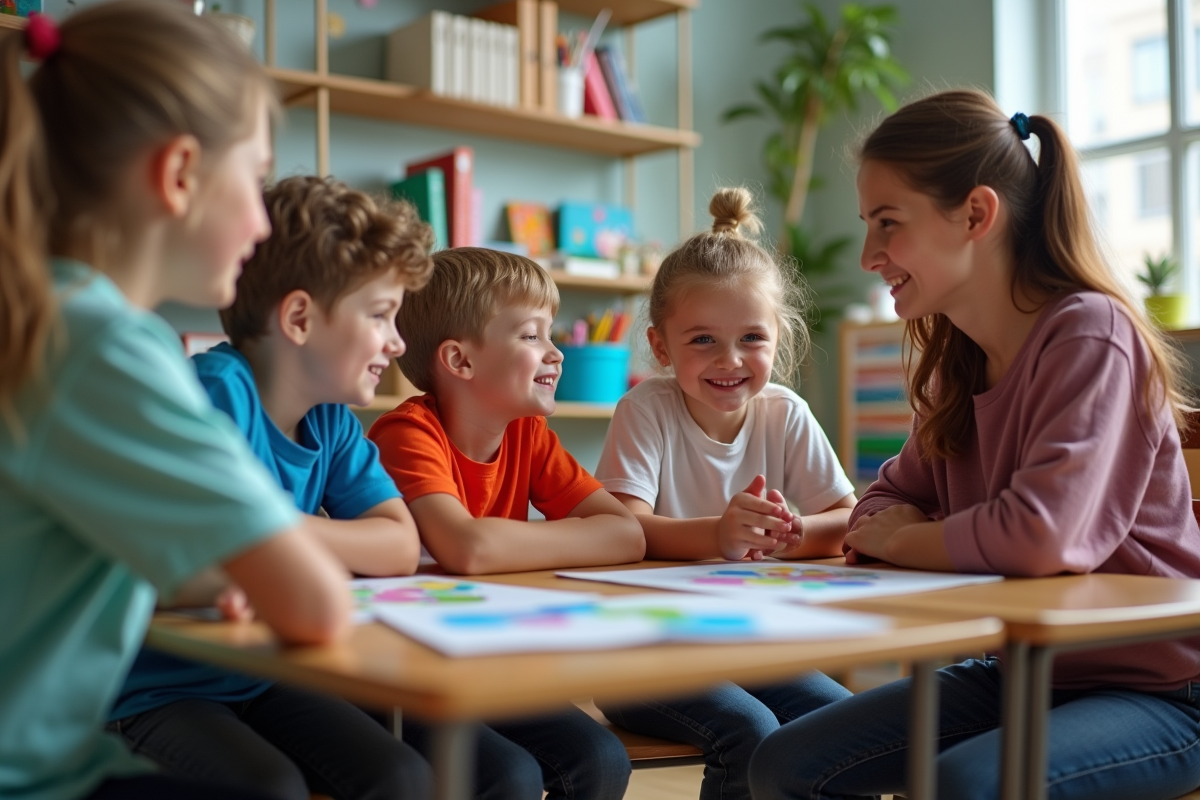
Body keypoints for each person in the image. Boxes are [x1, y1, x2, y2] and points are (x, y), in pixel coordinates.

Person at [748, 89, 1200, 800]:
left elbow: (1039, 538)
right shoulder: (960, 359)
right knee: (782, 764)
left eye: (888, 224)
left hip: (1163, 690)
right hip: (1026, 670)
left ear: (977, 214)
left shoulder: (1091, 334)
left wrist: (908, 540)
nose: (870, 255)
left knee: (968, 785)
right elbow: (881, 506)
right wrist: (902, 530)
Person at [0, 4, 354, 800]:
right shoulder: (109, 346)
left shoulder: (49, 315)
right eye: (254, 178)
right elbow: (317, 607)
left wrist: (209, 574)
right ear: (181, 174)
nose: (261, 223)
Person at [107, 176, 437, 800]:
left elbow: (397, 545)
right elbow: (172, 566)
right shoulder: (215, 392)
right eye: (380, 315)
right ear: (300, 318)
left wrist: (264, 537)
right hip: (153, 688)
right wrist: (278, 555)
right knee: (271, 787)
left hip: (260, 675)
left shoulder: (331, 418)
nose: (397, 342)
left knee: (402, 775)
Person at [591, 187, 857, 800]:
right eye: (703, 340)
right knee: (751, 731)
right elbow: (622, 533)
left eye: (752, 339)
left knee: (850, 723)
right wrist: (718, 535)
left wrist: (792, 535)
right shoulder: (645, 410)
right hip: (643, 656)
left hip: (753, 648)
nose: (730, 360)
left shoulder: (785, 412)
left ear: (778, 337)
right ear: (661, 347)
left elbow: (848, 521)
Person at [368, 247, 645, 800]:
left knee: (602, 759)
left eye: (551, 334)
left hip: (488, 663)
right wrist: (550, 540)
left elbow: (627, 534)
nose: (556, 353)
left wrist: (497, 545)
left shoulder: (528, 435)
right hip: (406, 681)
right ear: (460, 360)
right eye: (532, 336)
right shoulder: (406, 434)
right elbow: (467, 550)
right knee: (511, 777)